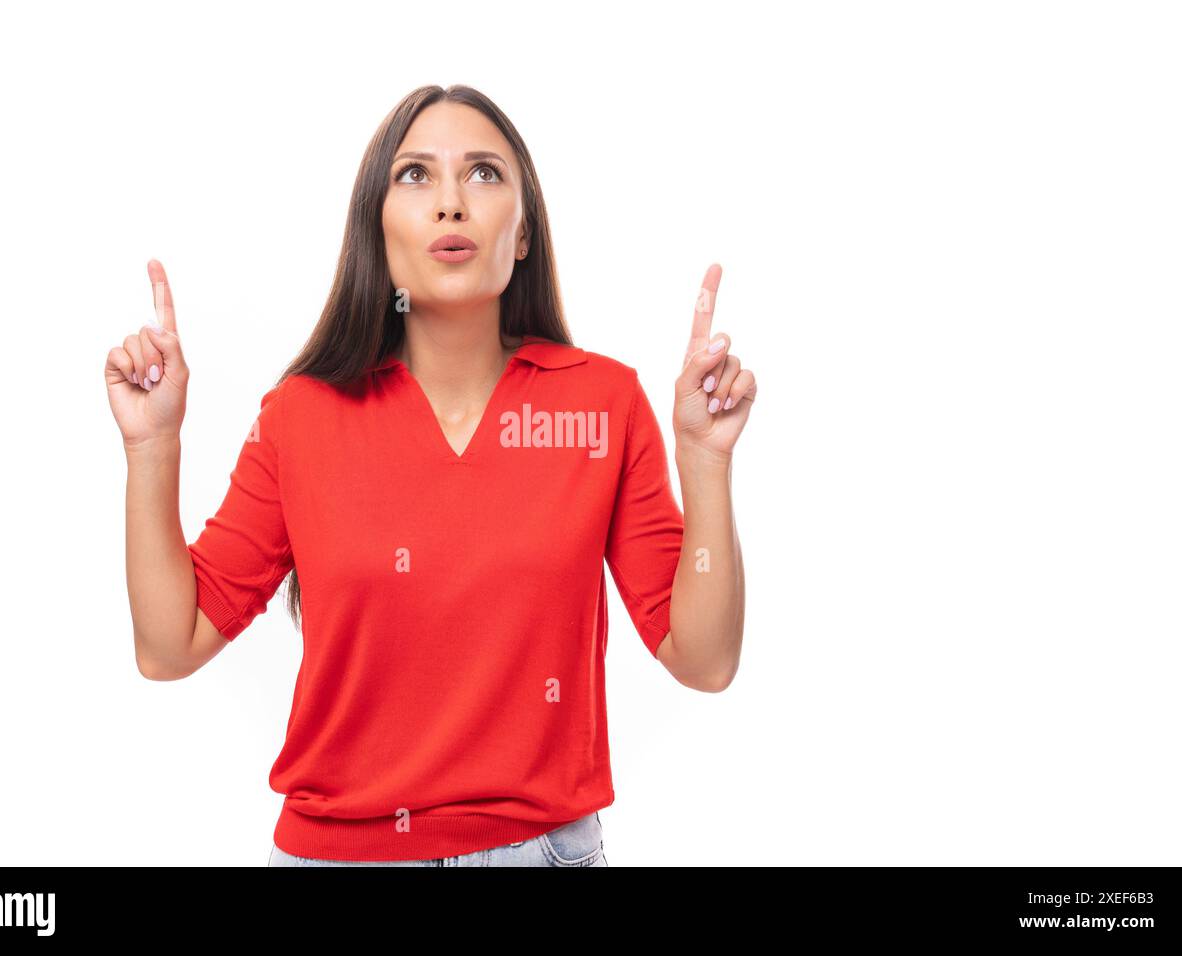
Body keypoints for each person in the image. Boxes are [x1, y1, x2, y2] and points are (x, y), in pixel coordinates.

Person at [105, 85, 753, 866]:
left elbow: (704, 658)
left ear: (522, 235)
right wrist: (153, 448)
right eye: (415, 176)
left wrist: (705, 462)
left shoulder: (601, 404)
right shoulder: (301, 416)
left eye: (483, 174)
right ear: (377, 230)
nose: (451, 202)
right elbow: (169, 645)